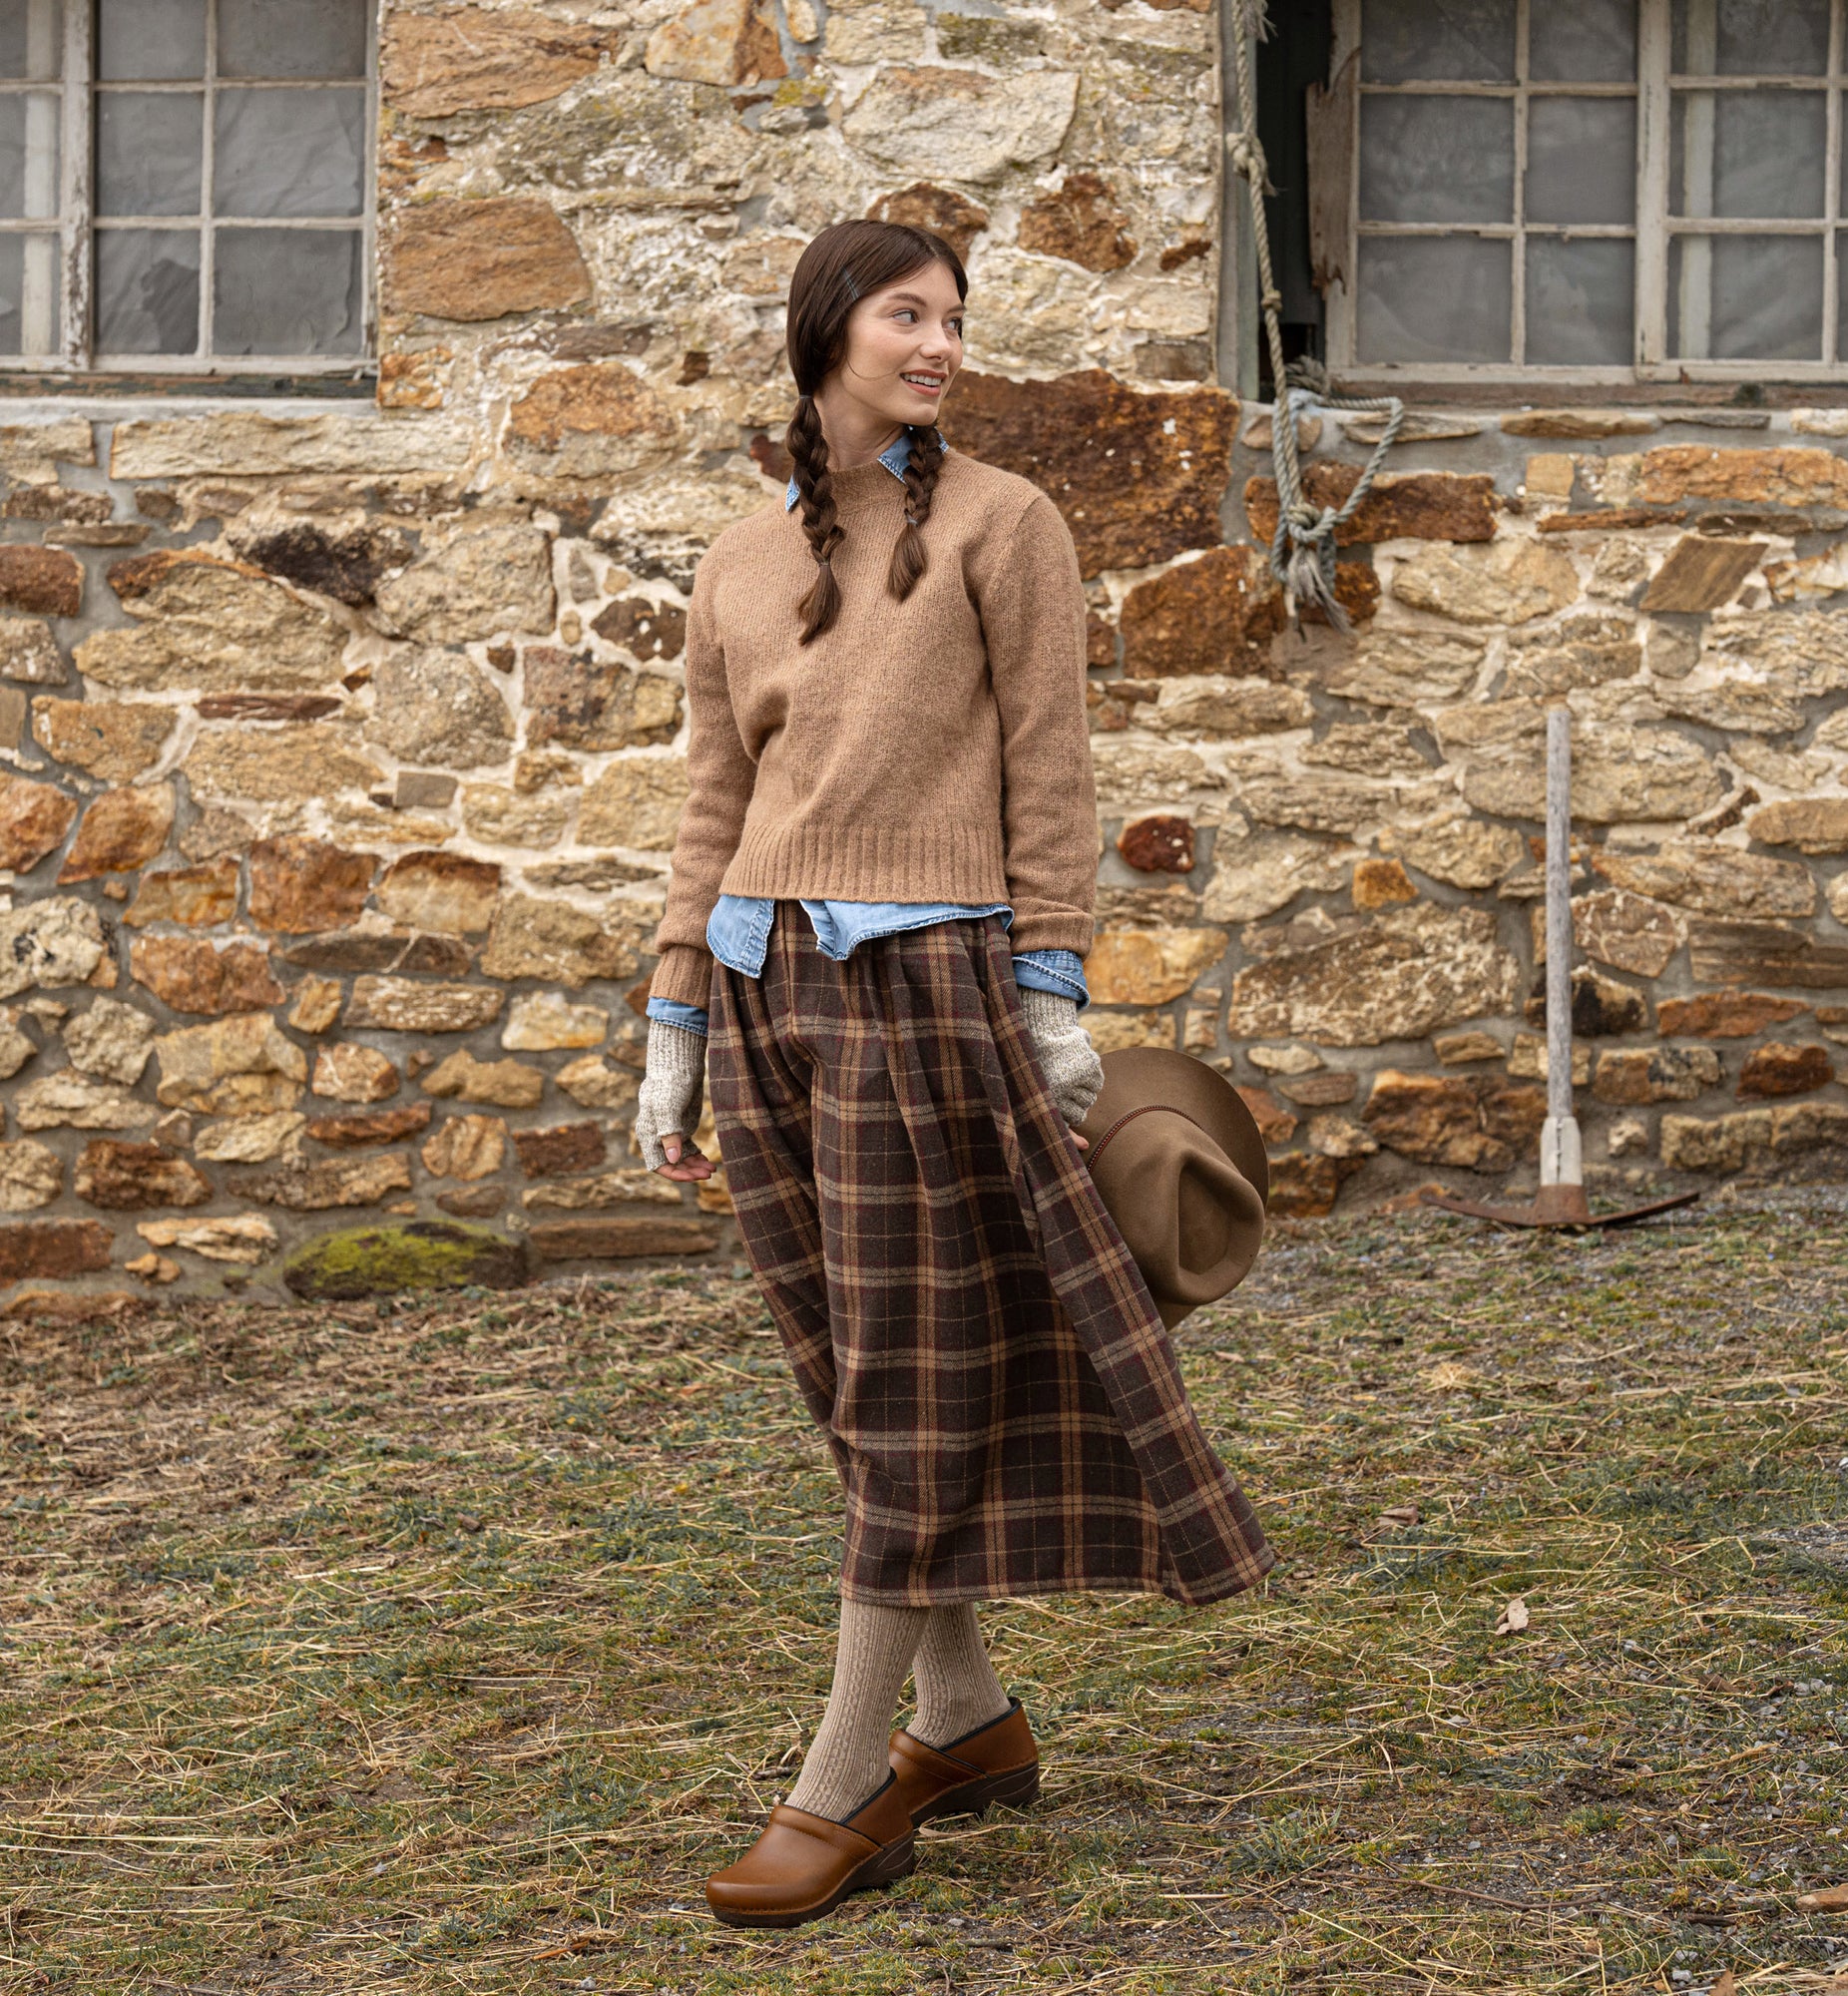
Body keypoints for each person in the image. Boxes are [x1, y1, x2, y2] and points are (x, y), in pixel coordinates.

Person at [633, 218, 1273, 1931]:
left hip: (930, 991)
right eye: (908, 314)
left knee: (912, 1380)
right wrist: (675, 1020)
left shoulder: (1008, 522)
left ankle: (846, 1786)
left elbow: (1054, 768)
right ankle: (965, 1718)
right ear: (829, 332)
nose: (941, 342)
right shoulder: (735, 554)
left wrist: (1052, 993)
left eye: (955, 318)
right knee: (850, 1373)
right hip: (766, 992)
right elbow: (714, 801)